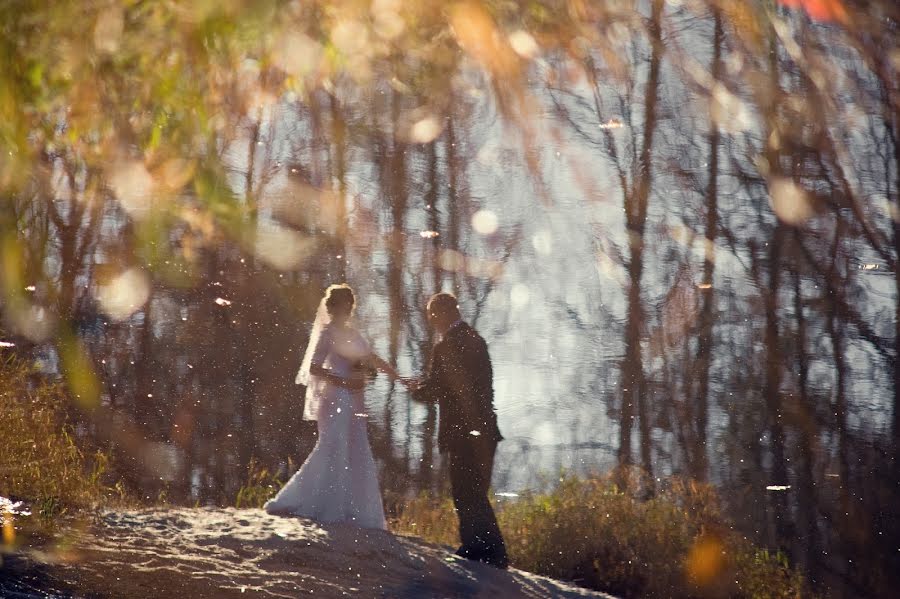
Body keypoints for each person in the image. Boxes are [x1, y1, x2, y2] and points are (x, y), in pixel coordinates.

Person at [264, 284, 399, 529]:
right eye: (342, 304)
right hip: (335, 395)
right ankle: (319, 503)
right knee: (333, 445)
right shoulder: (327, 333)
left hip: (355, 399)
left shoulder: (354, 334)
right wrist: (343, 380)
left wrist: (398, 377)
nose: (346, 309)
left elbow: (372, 359)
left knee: (357, 447)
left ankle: (355, 509)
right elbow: (314, 368)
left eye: (349, 304)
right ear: (333, 307)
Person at [409, 292, 508, 568]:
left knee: (466, 491)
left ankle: (484, 551)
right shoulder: (477, 340)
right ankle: (487, 551)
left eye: (432, 315)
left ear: (442, 314)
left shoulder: (447, 347)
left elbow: (441, 388)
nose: (431, 321)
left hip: (463, 433)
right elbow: (475, 387)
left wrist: (418, 391)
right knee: (475, 491)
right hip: (485, 431)